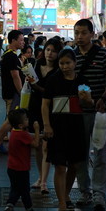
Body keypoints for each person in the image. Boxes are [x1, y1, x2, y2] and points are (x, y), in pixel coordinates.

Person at [42, 48, 93, 211]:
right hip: (58, 126)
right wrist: (47, 125)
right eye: (61, 63)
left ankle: (66, 195)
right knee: (60, 165)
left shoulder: (82, 81)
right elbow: (45, 105)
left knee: (73, 165)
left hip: (76, 126)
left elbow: (89, 102)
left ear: (75, 63)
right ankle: (62, 204)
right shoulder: (53, 80)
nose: (64, 66)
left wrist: (86, 98)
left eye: (68, 63)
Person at [73, 19, 106, 210]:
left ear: (92, 34)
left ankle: (99, 193)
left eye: (83, 33)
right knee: (79, 154)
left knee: (101, 154)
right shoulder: (72, 56)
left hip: (100, 112)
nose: (79, 37)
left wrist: (103, 98)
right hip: (78, 113)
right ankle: (85, 191)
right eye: (76, 33)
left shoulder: (103, 54)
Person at [26, 38, 63, 195]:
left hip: (50, 109)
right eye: (48, 50)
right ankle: (40, 178)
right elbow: (30, 85)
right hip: (34, 106)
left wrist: (36, 86)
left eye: (54, 51)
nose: (50, 53)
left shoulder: (59, 70)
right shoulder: (36, 65)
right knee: (37, 144)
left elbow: (51, 93)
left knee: (46, 145)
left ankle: (44, 182)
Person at [1, 108, 41, 211]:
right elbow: (36, 144)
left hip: (11, 168)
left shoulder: (14, 132)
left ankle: (14, 207)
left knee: (16, 189)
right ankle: (26, 210)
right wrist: (37, 130)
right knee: (23, 190)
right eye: (26, 119)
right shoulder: (23, 134)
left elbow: (29, 137)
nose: (28, 120)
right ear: (20, 124)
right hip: (21, 169)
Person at [0, 30, 25, 155]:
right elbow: (15, 76)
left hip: (9, 92)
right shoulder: (11, 56)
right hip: (12, 93)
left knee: (9, 117)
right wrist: (21, 92)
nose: (23, 42)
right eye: (21, 40)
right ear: (13, 40)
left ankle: (5, 139)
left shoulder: (9, 54)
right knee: (10, 120)